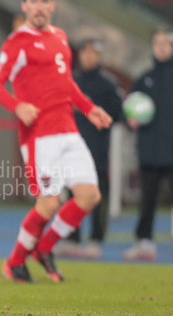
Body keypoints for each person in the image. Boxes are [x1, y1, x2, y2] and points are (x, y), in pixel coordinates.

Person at [0, 0, 112, 283]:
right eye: (34, 2)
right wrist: (17, 106)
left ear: (52, 5)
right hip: (39, 136)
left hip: (68, 130)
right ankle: (15, 262)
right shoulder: (17, 41)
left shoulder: (59, 37)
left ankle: (43, 249)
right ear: (25, 6)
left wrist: (89, 108)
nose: (39, 7)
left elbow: (66, 82)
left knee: (90, 196)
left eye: (44, 2)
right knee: (48, 204)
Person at [123, 27, 173, 262]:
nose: (162, 47)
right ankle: (144, 242)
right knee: (147, 201)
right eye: (157, 43)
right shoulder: (144, 79)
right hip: (149, 152)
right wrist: (129, 120)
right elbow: (128, 109)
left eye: (167, 43)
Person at [56, 39, 123, 259]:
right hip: (70, 150)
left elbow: (118, 115)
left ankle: (96, 240)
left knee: (97, 198)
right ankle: (72, 238)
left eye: (94, 53)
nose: (89, 57)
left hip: (97, 152)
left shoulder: (108, 83)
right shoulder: (69, 80)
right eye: (86, 52)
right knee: (71, 197)